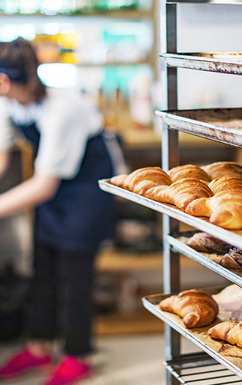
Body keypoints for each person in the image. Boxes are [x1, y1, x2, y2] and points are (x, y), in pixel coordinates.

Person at [0, 37, 118, 385]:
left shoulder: (63, 108)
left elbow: (43, 186)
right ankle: (38, 347)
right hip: (54, 187)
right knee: (43, 270)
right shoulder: (9, 102)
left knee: (75, 279)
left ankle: (78, 355)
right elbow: (2, 153)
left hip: (86, 191)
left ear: (4, 80)